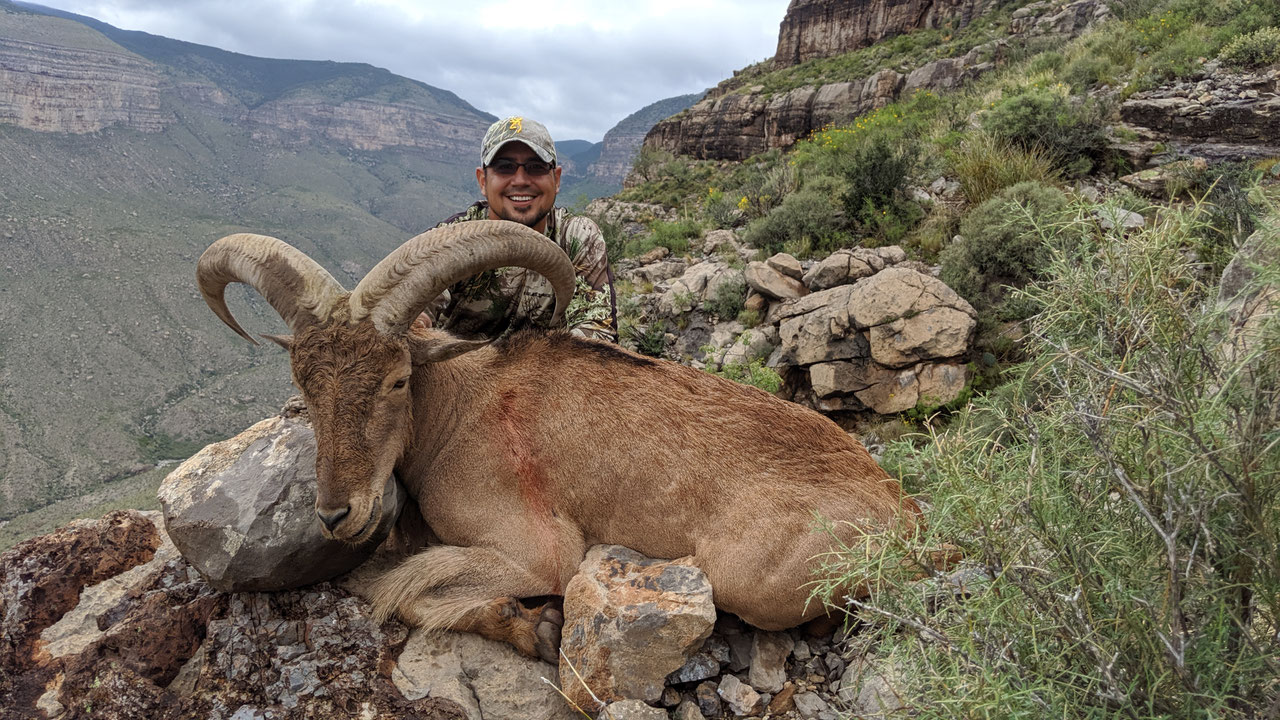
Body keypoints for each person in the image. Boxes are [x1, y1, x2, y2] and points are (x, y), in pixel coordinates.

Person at [425, 116, 618, 343]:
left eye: (536, 167)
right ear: (482, 181)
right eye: (504, 167)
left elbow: (597, 333)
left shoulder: (577, 237)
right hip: (458, 374)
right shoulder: (451, 239)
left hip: (545, 375)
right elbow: (414, 310)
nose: (520, 180)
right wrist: (417, 322)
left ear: (556, 179)